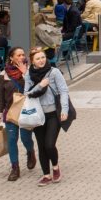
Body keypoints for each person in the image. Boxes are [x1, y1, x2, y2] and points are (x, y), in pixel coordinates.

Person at [20, 47, 70, 186]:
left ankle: (55, 167)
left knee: (49, 144)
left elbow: (64, 91)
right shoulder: (29, 75)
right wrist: (40, 86)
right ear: (32, 61)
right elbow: (27, 94)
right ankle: (46, 175)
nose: (41, 60)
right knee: (41, 146)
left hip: (54, 114)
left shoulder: (54, 72)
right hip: (38, 116)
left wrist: (64, 110)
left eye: (43, 57)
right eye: (38, 58)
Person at [0, 46, 36, 182]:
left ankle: (30, 152)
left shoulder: (30, 71)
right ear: (11, 58)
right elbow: (1, 96)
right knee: (12, 140)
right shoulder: (3, 74)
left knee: (25, 138)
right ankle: (15, 168)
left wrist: (25, 74)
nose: (21, 57)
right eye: (18, 55)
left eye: (23, 55)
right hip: (10, 112)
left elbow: (33, 89)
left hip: (25, 112)